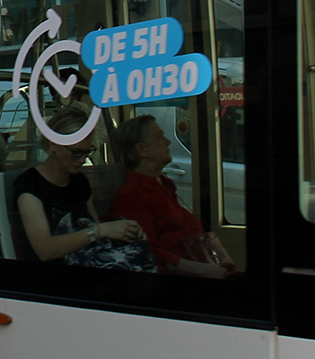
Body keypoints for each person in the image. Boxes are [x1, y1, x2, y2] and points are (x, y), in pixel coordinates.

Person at [14, 107, 149, 269]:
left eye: (87, 152)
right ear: (53, 144)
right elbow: (45, 250)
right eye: (76, 153)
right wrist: (99, 231)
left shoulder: (79, 181)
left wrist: (124, 232)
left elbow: (94, 226)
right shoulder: (30, 184)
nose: (82, 160)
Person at [107, 115, 236, 278]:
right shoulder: (132, 195)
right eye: (160, 137)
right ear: (142, 150)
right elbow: (146, 252)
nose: (168, 142)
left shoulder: (164, 184)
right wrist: (202, 270)